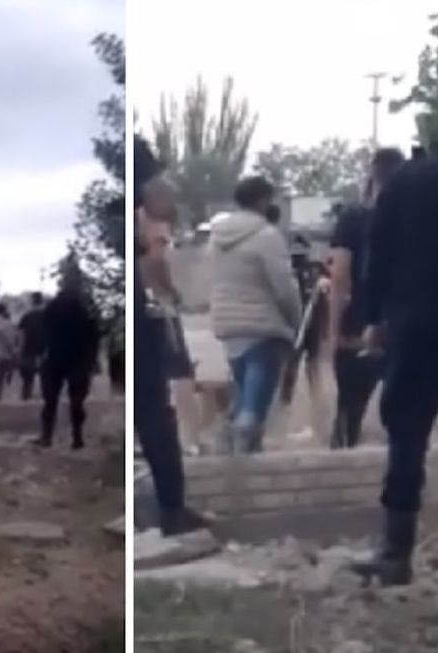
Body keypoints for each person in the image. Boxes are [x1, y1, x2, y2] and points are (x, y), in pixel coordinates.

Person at [354, 145, 438, 590]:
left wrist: (373, 317)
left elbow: (378, 251)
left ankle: (395, 557)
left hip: (413, 323)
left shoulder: (403, 183)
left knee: (406, 436)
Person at [134, 134, 206, 535]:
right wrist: (169, 297)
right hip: (143, 320)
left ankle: (170, 508)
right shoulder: (143, 213)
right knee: (155, 414)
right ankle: (171, 510)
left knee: (151, 413)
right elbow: (154, 255)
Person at [209, 176, 302, 453]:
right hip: (263, 326)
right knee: (255, 402)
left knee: (244, 389)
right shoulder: (267, 236)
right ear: (263, 200)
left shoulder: (216, 238)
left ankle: (232, 443)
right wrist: (295, 320)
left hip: (228, 325)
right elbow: (284, 286)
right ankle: (241, 446)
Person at [327, 149, 405, 449]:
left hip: (357, 325)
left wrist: (333, 330)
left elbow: (340, 275)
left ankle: (342, 459)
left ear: (372, 176)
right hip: (403, 323)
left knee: (349, 408)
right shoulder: (414, 219)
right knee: (406, 413)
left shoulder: (353, 218)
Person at [139, 213, 202, 455]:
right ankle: (187, 438)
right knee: (179, 373)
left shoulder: (140, 262)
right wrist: (179, 298)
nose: (165, 247)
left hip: (151, 318)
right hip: (165, 316)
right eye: (162, 242)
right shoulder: (155, 261)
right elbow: (170, 290)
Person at [36, 272, 100, 450]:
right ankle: (77, 438)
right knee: (77, 401)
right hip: (78, 359)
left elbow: (43, 331)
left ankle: (47, 437)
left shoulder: (53, 305)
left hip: (55, 358)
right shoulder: (86, 307)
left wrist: (42, 352)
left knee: (50, 401)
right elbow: (94, 336)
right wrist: (91, 359)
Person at [17, 292, 46, 400]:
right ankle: (45, 395)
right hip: (44, 349)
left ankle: (26, 396)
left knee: (27, 377)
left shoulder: (26, 317)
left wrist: (19, 350)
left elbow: (21, 335)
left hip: (28, 349)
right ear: (42, 301)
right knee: (45, 376)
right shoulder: (48, 315)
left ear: (32, 302)